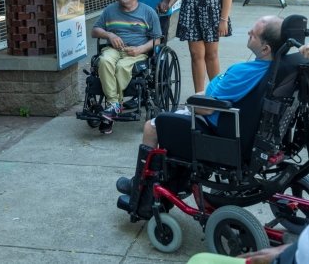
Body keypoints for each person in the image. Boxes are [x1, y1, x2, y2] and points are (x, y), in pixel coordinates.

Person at [116, 15, 283, 198]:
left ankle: (141, 188)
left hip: (214, 124)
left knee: (153, 126)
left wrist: (192, 103)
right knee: (178, 114)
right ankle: (172, 180)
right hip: (228, 118)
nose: (249, 32)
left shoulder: (243, 73)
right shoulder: (279, 67)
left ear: (266, 48)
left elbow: (207, 108)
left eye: (254, 34)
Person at [92, 0, 162, 135]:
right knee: (104, 61)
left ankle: (110, 111)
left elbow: (158, 39)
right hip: (114, 49)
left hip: (136, 52)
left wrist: (141, 49)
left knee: (122, 67)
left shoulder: (148, 12)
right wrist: (109, 34)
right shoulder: (110, 10)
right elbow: (94, 30)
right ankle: (114, 105)